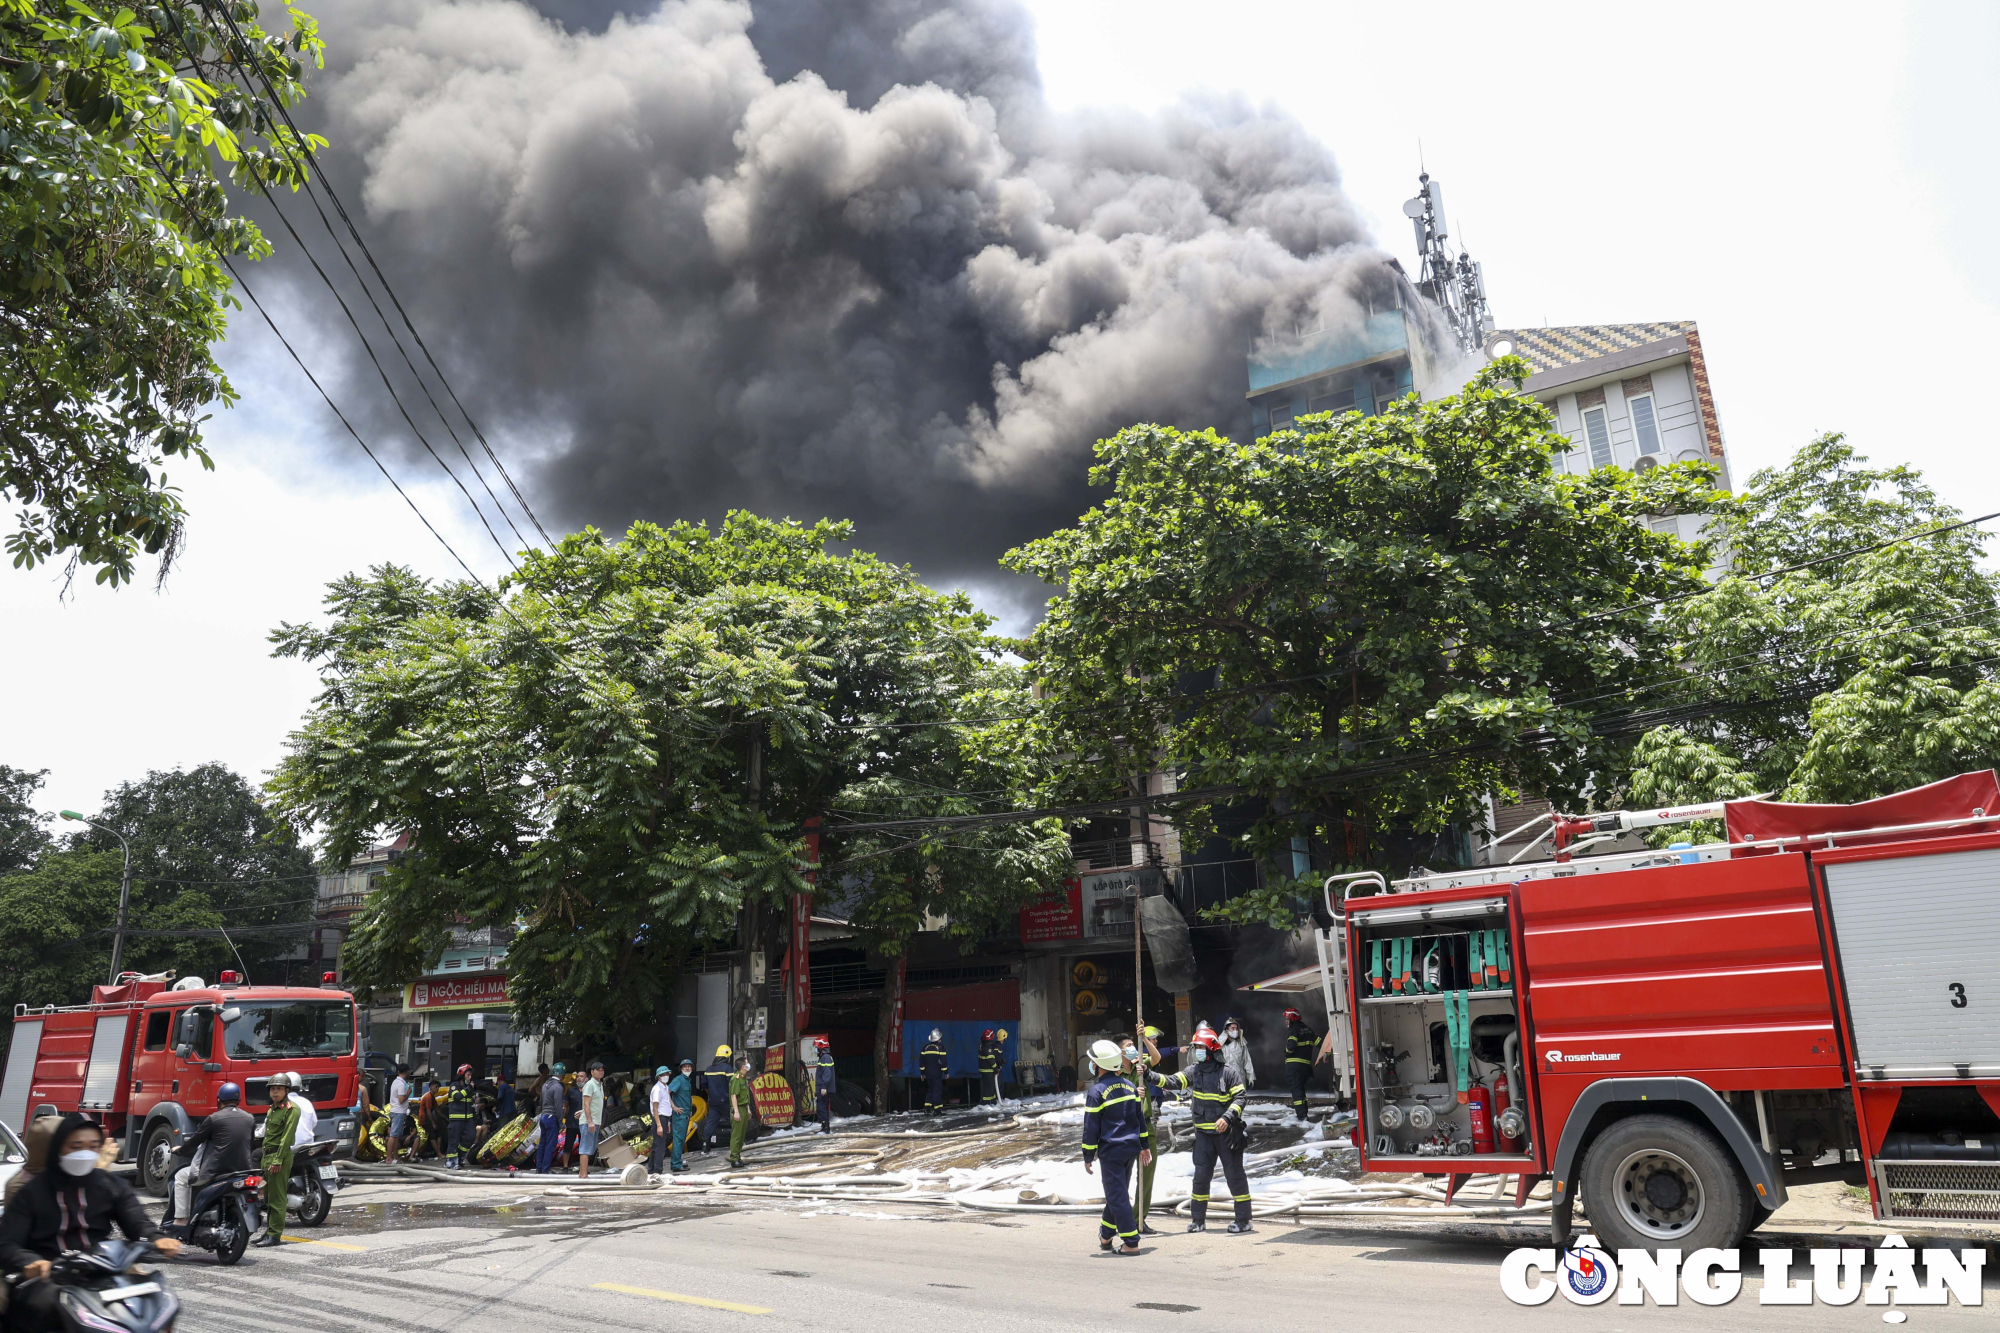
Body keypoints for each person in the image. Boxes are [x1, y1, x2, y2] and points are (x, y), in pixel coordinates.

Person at [0, 1114, 179, 1329]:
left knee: (155, 1301)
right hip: (50, 1273)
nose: (85, 1152)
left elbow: (136, 1221)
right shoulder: (31, 1191)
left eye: (93, 1145)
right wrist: (29, 1261)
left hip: (102, 1268)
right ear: (58, 1148)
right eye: (76, 1145)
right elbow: (8, 1243)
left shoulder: (109, 1184)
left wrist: (156, 1238)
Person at [1148, 1029, 1252, 1234]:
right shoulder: (1193, 1071)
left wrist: (1227, 1117)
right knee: (1201, 1178)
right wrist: (1148, 1074)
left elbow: (1241, 1098)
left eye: (1201, 1048)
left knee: (1235, 1176)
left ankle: (1243, 1220)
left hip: (1226, 1135)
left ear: (1212, 1049)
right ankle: (1198, 1220)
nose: (1197, 1052)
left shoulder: (1228, 1072)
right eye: (1196, 1048)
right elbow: (1172, 1082)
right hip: (1203, 1137)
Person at [1079, 1039, 1149, 1255]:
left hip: (1111, 1152)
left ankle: (1131, 1242)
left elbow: (1091, 1128)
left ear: (1099, 1065)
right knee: (1117, 1192)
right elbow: (1140, 1119)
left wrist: (1088, 1155)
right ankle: (1106, 1235)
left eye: (1092, 1061)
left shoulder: (1096, 1091)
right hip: (1130, 1150)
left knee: (1116, 1195)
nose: (1091, 1064)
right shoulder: (1129, 1086)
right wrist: (1144, 1145)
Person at [163, 1081, 254, 1235]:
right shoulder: (249, 1118)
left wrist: (180, 1150)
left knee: (180, 1177)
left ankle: (181, 1219)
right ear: (238, 1100)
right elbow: (249, 1143)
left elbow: (195, 1142)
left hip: (215, 1170)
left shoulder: (213, 1119)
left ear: (219, 1100)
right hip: (242, 1170)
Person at [256, 1072, 300, 1247]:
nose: (275, 1092)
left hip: (278, 1156)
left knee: (277, 1198)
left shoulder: (292, 1109)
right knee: (267, 1197)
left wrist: (277, 1160)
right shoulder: (272, 1109)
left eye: (279, 1089)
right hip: (267, 1155)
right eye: (273, 1089)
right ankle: (268, 1232)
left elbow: (286, 1138)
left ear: (287, 1090)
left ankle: (274, 1235)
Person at [1283, 1007, 1318, 1122]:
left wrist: (1286, 1052)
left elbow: (1291, 1047)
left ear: (1292, 1019)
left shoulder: (1294, 1030)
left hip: (1294, 1067)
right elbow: (1320, 1043)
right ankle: (1304, 1113)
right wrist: (1327, 1053)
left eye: (1287, 1019)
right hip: (1306, 1068)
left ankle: (1301, 1117)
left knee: (1297, 1092)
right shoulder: (1308, 1030)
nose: (1286, 1022)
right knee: (1301, 1091)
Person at [534, 1061, 567, 1174]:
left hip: (543, 1116)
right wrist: (561, 1122)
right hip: (552, 1117)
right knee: (550, 1144)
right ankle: (546, 1169)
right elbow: (558, 1106)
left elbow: (541, 1101)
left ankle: (539, 1168)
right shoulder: (558, 1087)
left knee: (542, 1143)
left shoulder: (545, 1084)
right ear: (562, 1074)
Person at [443, 1065, 476, 1169]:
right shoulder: (454, 1086)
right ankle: (451, 1162)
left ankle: (460, 1157)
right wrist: (469, 1088)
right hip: (456, 1119)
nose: (470, 1077)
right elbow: (457, 1097)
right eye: (468, 1075)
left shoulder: (468, 1088)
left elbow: (471, 1101)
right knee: (454, 1140)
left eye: (471, 1075)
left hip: (468, 1119)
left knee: (471, 1136)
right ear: (462, 1075)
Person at [701, 1046, 733, 1152]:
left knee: (710, 1123)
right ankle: (740, 1142)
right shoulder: (728, 1069)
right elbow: (732, 1085)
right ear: (727, 1056)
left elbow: (704, 1085)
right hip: (726, 1102)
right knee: (735, 1122)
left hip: (713, 1102)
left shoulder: (709, 1069)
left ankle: (705, 1145)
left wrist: (711, 1094)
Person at [578, 1060, 606, 1180]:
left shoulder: (600, 1085)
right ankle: (583, 1174)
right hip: (588, 1122)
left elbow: (595, 1105)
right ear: (592, 1072)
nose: (600, 1072)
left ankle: (582, 1173)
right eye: (598, 1070)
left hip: (595, 1122)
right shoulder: (590, 1084)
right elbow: (586, 1104)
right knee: (585, 1148)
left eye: (602, 1070)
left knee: (589, 1148)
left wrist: (597, 1123)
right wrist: (590, 1121)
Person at [647, 1066, 676, 1176]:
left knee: (657, 1145)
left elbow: (666, 1105)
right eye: (663, 1075)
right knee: (660, 1146)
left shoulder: (665, 1087)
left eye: (667, 1074)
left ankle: (651, 1168)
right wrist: (659, 1125)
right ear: (658, 1077)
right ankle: (657, 1169)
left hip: (664, 1118)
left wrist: (667, 1122)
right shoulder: (657, 1089)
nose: (666, 1077)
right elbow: (655, 1108)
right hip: (659, 1118)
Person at [726, 1054, 754, 1169]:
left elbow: (745, 1096)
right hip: (737, 1109)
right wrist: (736, 1112)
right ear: (743, 1066)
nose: (748, 1065)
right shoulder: (736, 1079)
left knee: (742, 1135)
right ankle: (734, 1159)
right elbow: (734, 1096)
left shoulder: (743, 1079)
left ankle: (738, 1157)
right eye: (746, 1063)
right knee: (736, 1136)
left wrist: (748, 1109)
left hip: (743, 1108)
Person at [668, 1059, 695, 1172]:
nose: (687, 1068)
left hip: (685, 1115)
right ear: (681, 1069)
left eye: (689, 1066)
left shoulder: (687, 1080)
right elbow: (667, 1092)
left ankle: (677, 1161)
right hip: (679, 1115)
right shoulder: (678, 1080)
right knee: (679, 1140)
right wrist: (673, 1107)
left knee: (681, 1139)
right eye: (685, 1067)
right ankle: (675, 1164)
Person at [385, 1062, 413, 1165]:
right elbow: (401, 1099)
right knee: (393, 1135)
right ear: (407, 1072)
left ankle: (395, 1156)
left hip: (395, 1110)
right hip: (398, 1111)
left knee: (396, 1135)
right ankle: (389, 1157)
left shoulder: (395, 1082)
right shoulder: (401, 1084)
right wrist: (408, 1093)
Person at [918, 1029, 949, 1114]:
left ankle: (927, 1108)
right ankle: (937, 1110)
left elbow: (921, 1062)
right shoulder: (940, 1047)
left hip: (928, 1074)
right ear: (938, 1039)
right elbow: (943, 1062)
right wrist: (946, 1072)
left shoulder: (925, 1047)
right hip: (937, 1074)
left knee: (930, 1090)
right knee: (937, 1091)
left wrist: (922, 1073)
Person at [1220, 1016, 1256, 1089]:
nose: (1235, 1031)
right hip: (1224, 1077)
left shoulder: (1241, 1044)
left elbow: (1247, 1060)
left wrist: (1250, 1077)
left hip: (1239, 1078)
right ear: (1226, 1030)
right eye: (1232, 1028)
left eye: (1236, 1029)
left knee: (1239, 1098)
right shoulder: (1220, 1044)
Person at [812, 1037, 836, 1134]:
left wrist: (823, 1087)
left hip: (824, 1088)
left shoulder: (825, 1058)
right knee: (822, 1107)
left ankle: (826, 1129)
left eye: (817, 1047)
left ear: (821, 1047)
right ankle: (824, 1127)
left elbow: (827, 1074)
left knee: (822, 1107)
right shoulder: (824, 1057)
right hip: (822, 1088)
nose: (815, 1049)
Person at [977, 1029, 1003, 1106]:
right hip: (988, 1071)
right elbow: (991, 1059)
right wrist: (995, 1068)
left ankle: (992, 1101)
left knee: (989, 1087)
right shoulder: (987, 1047)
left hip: (984, 1070)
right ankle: (986, 1103)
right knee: (989, 1087)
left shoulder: (982, 1045)